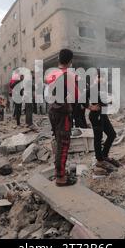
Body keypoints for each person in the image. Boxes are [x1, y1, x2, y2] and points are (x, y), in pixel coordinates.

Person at [46, 49, 78, 187]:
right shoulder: (68, 75)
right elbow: (76, 96)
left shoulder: (52, 74)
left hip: (52, 110)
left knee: (59, 142)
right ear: (70, 61)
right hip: (62, 112)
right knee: (63, 144)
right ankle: (60, 177)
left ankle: (59, 171)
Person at [86, 71, 121, 175]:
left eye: (104, 77)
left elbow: (102, 100)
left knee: (112, 134)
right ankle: (100, 161)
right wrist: (91, 107)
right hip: (95, 116)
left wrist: (108, 102)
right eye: (101, 77)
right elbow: (80, 100)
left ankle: (104, 155)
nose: (103, 79)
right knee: (98, 138)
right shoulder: (92, 88)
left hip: (102, 115)